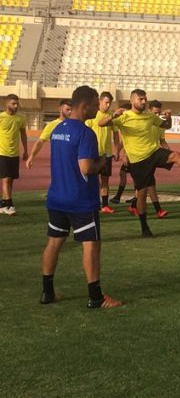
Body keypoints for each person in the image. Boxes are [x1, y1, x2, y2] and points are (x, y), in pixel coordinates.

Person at [39, 85, 122, 309]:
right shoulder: (86, 133)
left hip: (57, 197)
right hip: (81, 201)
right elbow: (86, 167)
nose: (97, 109)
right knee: (91, 246)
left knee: (54, 242)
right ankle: (96, 297)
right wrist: (102, 162)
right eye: (95, 105)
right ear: (85, 106)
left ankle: (47, 292)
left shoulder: (58, 129)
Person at [98, 89, 180, 237]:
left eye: (145, 99)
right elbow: (101, 123)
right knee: (142, 195)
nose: (144, 102)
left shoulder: (149, 116)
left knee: (176, 155)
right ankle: (144, 227)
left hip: (153, 152)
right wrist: (113, 115)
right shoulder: (124, 117)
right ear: (132, 100)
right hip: (138, 161)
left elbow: (166, 126)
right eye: (141, 99)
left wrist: (169, 118)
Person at [125, 100, 170, 218]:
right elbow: (130, 140)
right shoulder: (143, 122)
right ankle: (157, 210)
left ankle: (135, 207)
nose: (157, 115)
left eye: (159, 113)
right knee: (148, 185)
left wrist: (168, 153)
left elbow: (162, 141)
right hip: (139, 158)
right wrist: (126, 155)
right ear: (149, 111)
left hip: (152, 157)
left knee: (145, 185)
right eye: (155, 113)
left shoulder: (159, 125)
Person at [86, 92, 120, 214]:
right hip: (93, 153)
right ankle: (90, 203)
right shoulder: (92, 115)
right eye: (106, 102)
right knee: (91, 180)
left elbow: (116, 134)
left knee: (105, 180)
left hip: (107, 154)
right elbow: (85, 132)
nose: (108, 105)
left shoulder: (112, 116)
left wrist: (116, 149)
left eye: (109, 103)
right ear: (100, 101)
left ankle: (105, 205)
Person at [0, 93, 28, 215]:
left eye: (17, 104)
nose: (16, 106)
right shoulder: (1, 117)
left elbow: (23, 134)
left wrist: (26, 150)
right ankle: (9, 205)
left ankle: (3, 204)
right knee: (6, 179)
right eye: (13, 103)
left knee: (10, 180)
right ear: (7, 104)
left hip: (14, 153)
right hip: (2, 152)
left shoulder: (20, 118)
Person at [25, 99, 72, 169]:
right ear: (60, 109)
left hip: (73, 163)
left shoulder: (75, 125)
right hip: (58, 164)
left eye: (71, 110)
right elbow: (40, 142)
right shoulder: (51, 125)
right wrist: (31, 157)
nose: (70, 112)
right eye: (68, 109)